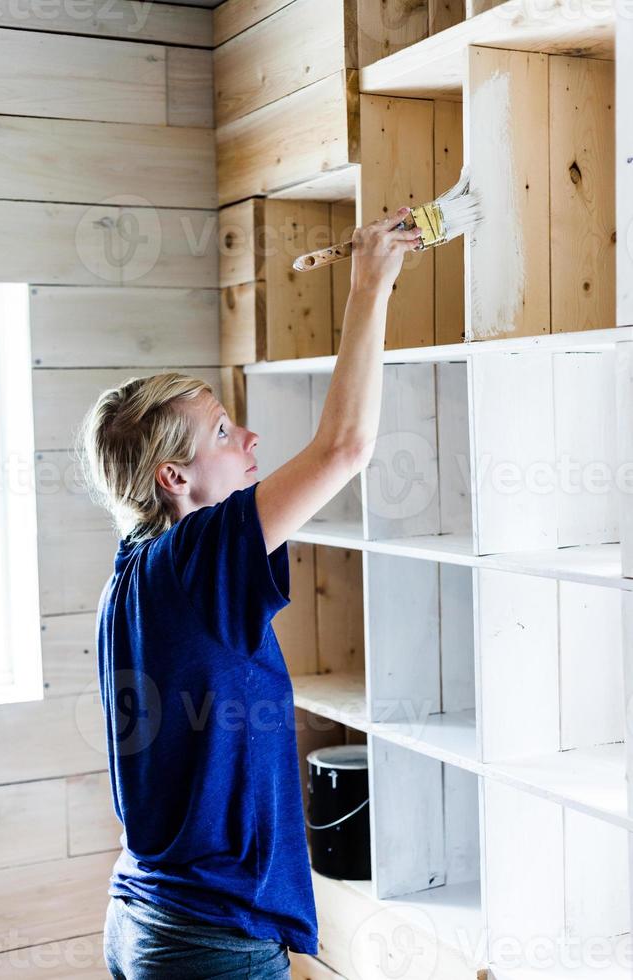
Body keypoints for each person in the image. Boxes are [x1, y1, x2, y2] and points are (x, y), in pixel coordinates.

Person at [77, 206, 422, 979]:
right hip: (203, 938)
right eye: (227, 431)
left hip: (150, 918)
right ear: (173, 477)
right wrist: (370, 284)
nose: (251, 439)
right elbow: (346, 447)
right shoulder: (192, 557)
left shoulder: (136, 568)